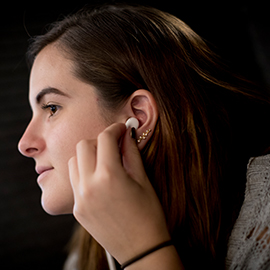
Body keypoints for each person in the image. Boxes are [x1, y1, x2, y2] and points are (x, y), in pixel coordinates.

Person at [18, 3, 270, 270]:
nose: (24, 144)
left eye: (52, 108)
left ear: (137, 116)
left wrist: (143, 252)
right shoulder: (89, 247)